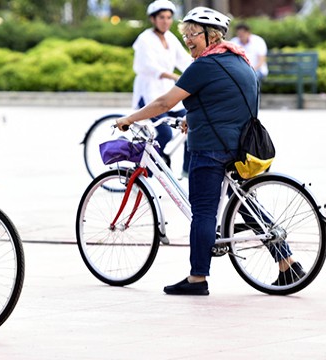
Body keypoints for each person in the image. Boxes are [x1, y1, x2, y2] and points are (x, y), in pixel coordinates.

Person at [117, 7, 304, 296]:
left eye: (192, 34)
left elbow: (164, 102)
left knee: (203, 212)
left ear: (210, 35)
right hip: (241, 148)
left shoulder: (204, 66)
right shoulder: (240, 60)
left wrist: (131, 118)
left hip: (211, 149)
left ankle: (197, 279)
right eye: (186, 34)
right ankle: (287, 263)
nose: (188, 40)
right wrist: (192, 120)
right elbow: (226, 100)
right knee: (246, 204)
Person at [132, 0, 192, 174]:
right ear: (153, 19)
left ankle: (187, 171)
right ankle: (145, 169)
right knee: (164, 133)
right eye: (161, 17)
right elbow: (147, 66)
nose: (165, 21)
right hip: (150, 91)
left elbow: (184, 60)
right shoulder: (144, 39)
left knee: (194, 124)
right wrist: (173, 75)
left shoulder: (171, 38)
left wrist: (201, 71)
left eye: (168, 17)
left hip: (167, 92)